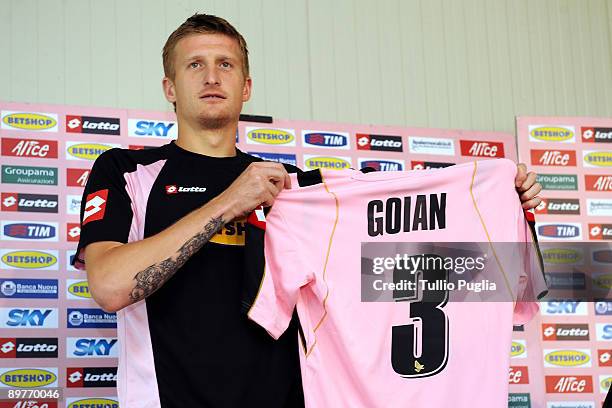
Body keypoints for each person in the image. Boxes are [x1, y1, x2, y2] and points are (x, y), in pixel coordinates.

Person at [73, 13, 542, 408]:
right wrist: (229, 203)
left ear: (247, 85)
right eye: (195, 64)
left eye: (226, 64)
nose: (212, 77)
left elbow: (391, 271)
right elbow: (111, 286)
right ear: (169, 87)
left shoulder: (297, 188)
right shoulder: (127, 170)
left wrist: (501, 205)